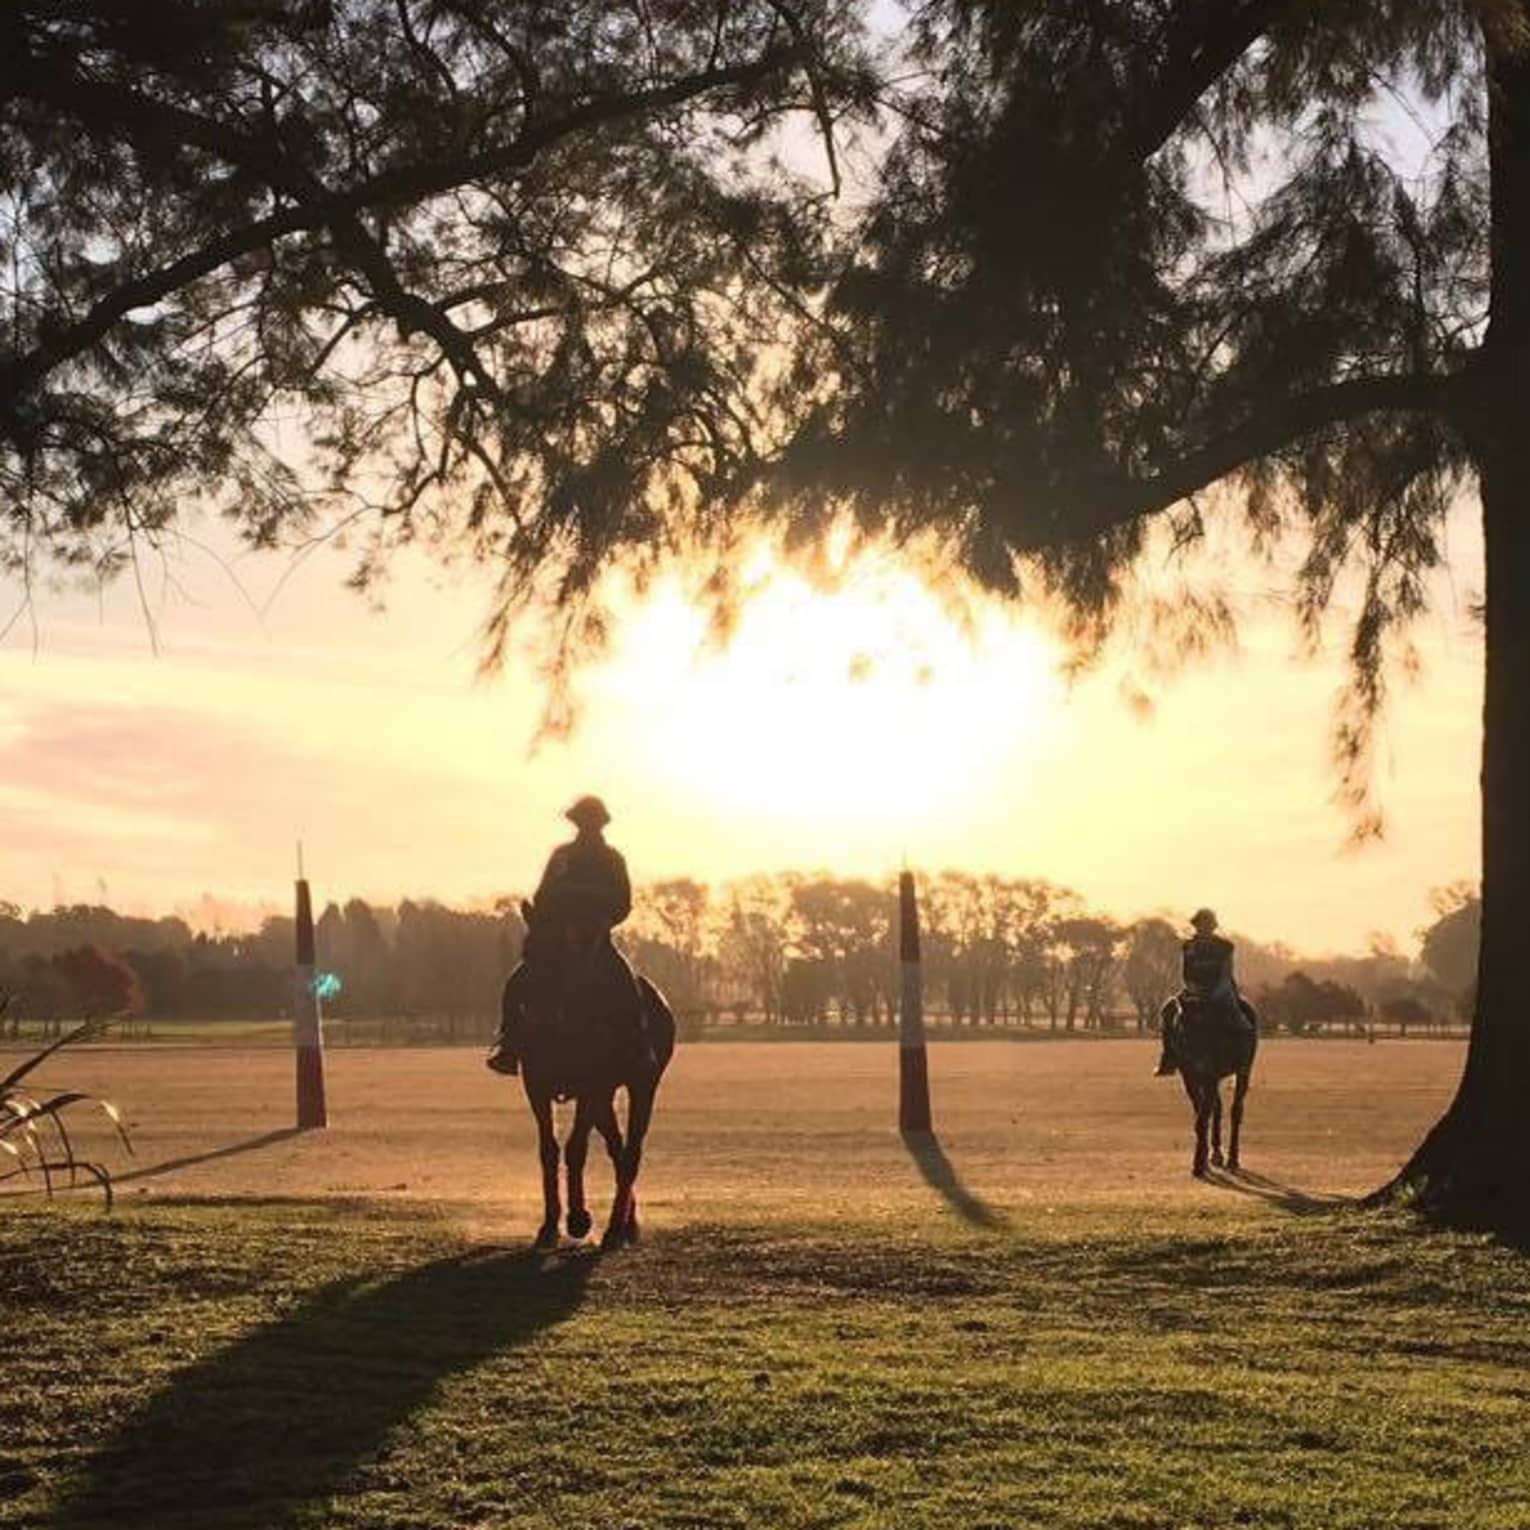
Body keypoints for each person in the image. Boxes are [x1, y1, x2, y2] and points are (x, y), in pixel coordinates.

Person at [486, 795, 641, 1075]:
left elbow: (623, 902)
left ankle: (637, 1047)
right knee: (517, 982)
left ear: (600, 825)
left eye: (591, 823)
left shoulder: (612, 859)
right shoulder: (561, 856)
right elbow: (543, 895)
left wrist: (603, 918)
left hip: (596, 937)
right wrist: (553, 913)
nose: (587, 828)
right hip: (558, 938)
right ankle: (509, 1045)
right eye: (583, 823)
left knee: (627, 986)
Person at [1154, 907, 1246, 1077]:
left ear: (1213, 926)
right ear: (1196, 926)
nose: (1204, 929)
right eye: (1201, 925)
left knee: (1239, 1016)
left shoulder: (1225, 947)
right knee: (1168, 1011)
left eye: (1208, 925)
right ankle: (1168, 1058)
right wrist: (1192, 988)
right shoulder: (1188, 947)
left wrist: (1216, 992)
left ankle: (1241, 1056)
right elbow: (1185, 971)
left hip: (1221, 990)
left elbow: (1226, 972)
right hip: (1194, 989)